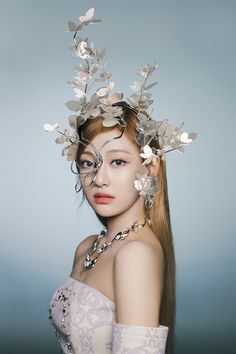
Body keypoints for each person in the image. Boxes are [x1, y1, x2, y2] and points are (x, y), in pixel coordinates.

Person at [44, 7, 197, 354]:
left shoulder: (137, 253)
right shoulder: (87, 248)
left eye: (117, 161)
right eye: (88, 162)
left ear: (150, 168)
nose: (98, 177)